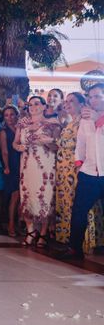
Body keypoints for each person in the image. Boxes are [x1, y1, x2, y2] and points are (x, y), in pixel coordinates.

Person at [55, 92, 103, 253]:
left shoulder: (94, 117)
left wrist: (99, 119)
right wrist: (79, 164)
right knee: (79, 211)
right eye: (91, 97)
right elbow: (81, 143)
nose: (93, 100)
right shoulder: (85, 119)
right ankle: (74, 248)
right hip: (88, 172)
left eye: (97, 96)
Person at [13, 96, 61, 247]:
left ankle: (44, 232)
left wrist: (48, 142)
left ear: (44, 106)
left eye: (36, 104)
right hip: (27, 165)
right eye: (30, 104)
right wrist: (18, 147)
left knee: (45, 196)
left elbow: (57, 147)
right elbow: (15, 143)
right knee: (27, 195)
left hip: (45, 166)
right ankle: (30, 230)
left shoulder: (52, 124)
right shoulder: (22, 124)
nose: (33, 107)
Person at [0, 105, 21, 237]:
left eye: (12, 114)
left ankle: (18, 223)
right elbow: (4, 151)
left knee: (20, 196)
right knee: (14, 195)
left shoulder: (21, 128)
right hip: (11, 165)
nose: (9, 117)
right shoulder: (3, 132)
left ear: (16, 115)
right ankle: (11, 224)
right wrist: (7, 167)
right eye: (6, 115)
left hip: (23, 162)